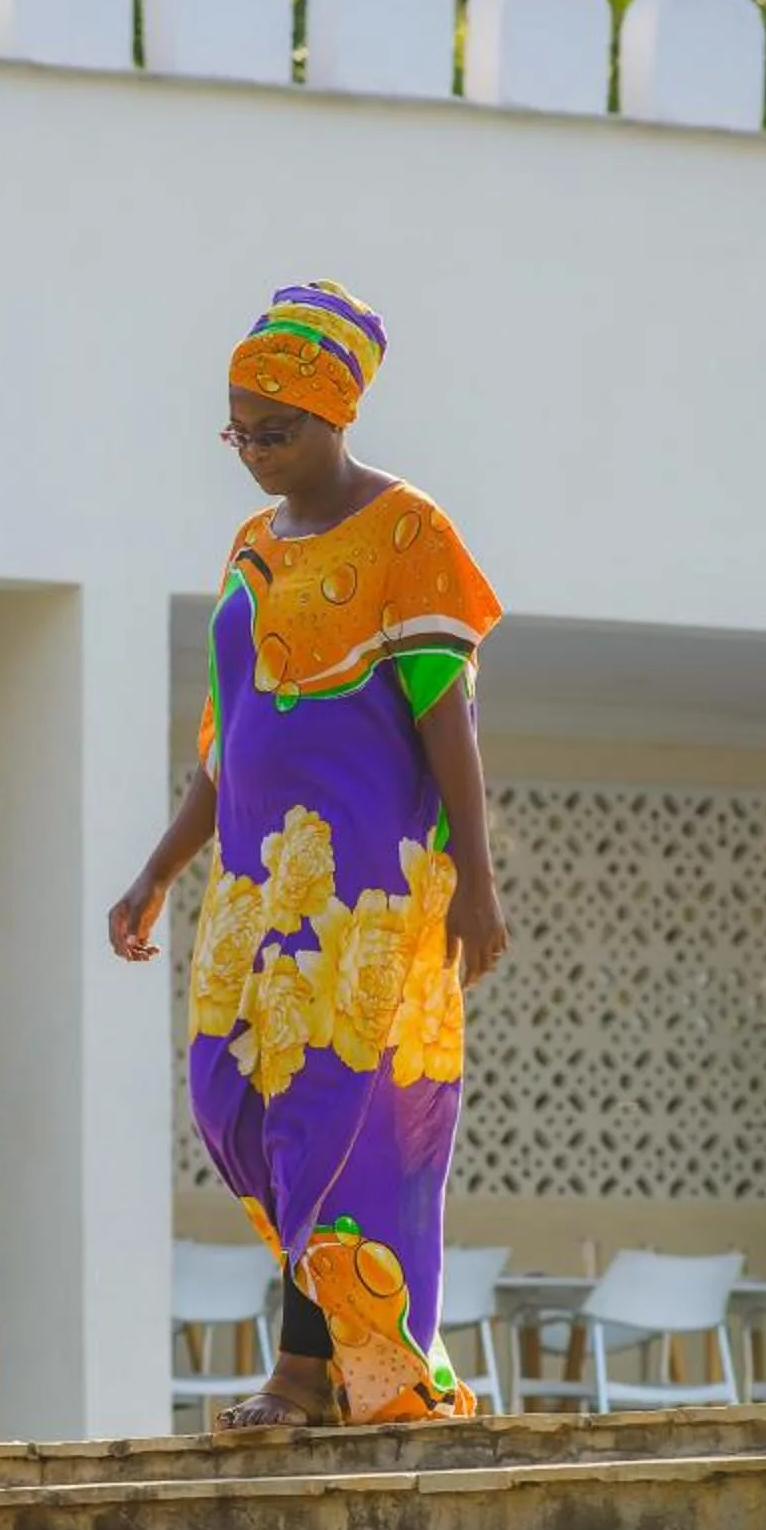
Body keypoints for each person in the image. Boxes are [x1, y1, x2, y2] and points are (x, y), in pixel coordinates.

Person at [109, 280, 509, 1428]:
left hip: (368, 896)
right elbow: (226, 739)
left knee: (326, 1121)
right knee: (230, 1100)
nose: (251, 454)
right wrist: (158, 871)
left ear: (334, 418)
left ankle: (305, 1373)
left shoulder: (409, 536)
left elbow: (448, 727)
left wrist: (475, 883)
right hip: (254, 889)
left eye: (272, 432)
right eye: (237, 430)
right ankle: (344, 1352)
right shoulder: (246, 549)